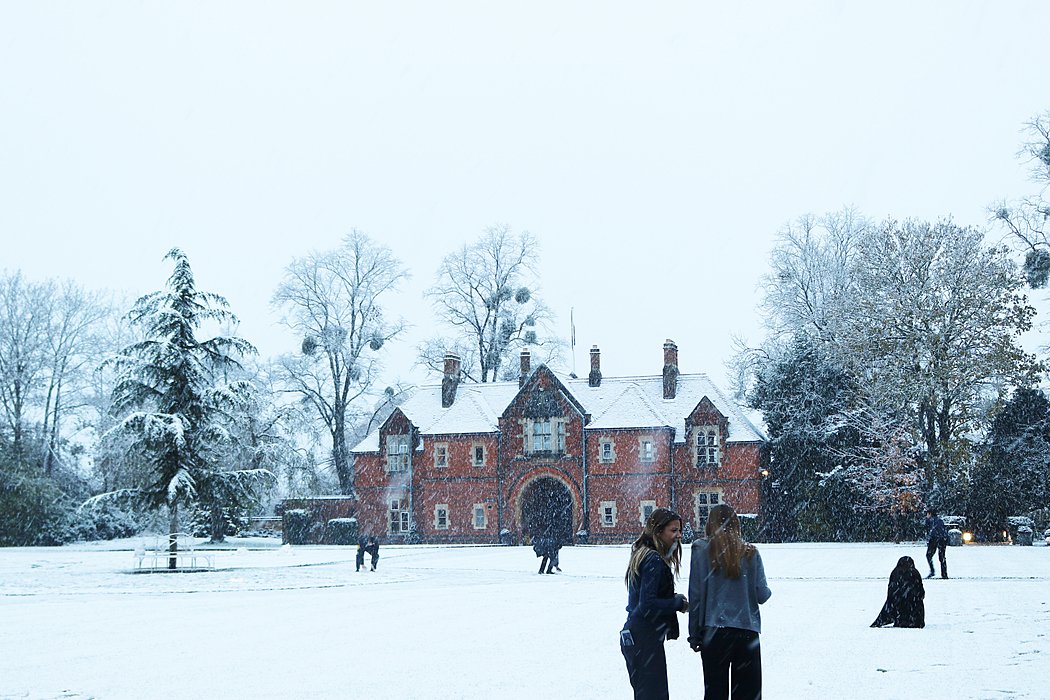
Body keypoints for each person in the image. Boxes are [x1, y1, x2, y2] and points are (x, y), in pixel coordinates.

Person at [688, 504, 771, 700]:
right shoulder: (750, 552)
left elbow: (696, 596)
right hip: (746, 631)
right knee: (747, 693)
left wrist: (694, 634)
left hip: (714, 632)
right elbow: (762, 595)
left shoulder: (701, 550)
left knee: (715, 693)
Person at [620, 508, 688, 700]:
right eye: (673, 530)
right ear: (658, 531)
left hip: (638, 637)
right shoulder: (653, 560)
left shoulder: (644, 554)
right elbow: (647, 605)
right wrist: (677, 603)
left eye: (679, 530)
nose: (679, 535)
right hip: (644, 639)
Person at [871, 556, 925, 628]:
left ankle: (906, 619)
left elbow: (920, 591)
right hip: (905, 603)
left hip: (910, 603)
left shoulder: (912, 573)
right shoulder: (897, 573)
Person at [925, 509, 948, 579]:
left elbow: (931, 531)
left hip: (935, 539)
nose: (926, 515)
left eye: (927, 514)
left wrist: (930, 538)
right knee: (942, 556)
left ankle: (932, 571)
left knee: (929, 555)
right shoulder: (939, 520)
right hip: (942, 539)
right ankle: (944, 573)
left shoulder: (931, 521)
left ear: (930, 514)